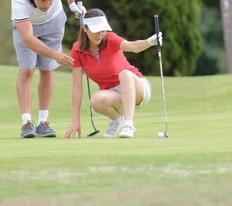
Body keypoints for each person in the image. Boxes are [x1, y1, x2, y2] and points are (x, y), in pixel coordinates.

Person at [11, 0, 87, 139]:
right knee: (27, 71)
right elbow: (28, 39)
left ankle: (43, 123)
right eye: (43, 1)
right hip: (28, 27)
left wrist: (72, 3)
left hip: (54, 23)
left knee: (47, 70)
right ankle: (26, 123)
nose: (48, 4)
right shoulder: (19, 0)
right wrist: (56, 55)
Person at [64, 8, 162, 139]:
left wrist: (150, 42)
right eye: (96, 31)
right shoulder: (77, 49)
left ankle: (128, 124)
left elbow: (133, 47)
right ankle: (116, 120)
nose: (100, 35)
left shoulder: (111, 39)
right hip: (114, 96)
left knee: (124, 74)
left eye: (103, 30)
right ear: (85, 28)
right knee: (95, 100)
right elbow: (77, 86)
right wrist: (75, 120)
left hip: (137, 88)